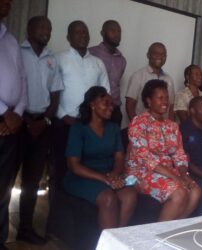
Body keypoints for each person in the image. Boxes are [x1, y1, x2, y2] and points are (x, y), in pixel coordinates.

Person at [51, 20, 110, 211]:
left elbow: (105, 93)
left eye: (85, 32)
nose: (82, 36)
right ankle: (55, 216)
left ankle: (79, 211)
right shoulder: (58, 58)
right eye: (77, 33)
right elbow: (51, 90)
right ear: (68, 37)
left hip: (90, 126)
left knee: (85, 168)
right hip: (65, 123)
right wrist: (63, 116)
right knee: (61, 169)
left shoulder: (98, 63)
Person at [126, 79, 201, 221]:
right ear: (148, 101)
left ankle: (173, 227)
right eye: (160, 98)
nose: (165, 101)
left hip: (168, 171)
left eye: (166, 97)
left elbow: (179, 154)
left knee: (196, 191)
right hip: (142, 172)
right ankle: (158, 237)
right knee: (180, 193)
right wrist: (176, 178)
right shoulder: (138, 122)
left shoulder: (172, 126)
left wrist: (183, 174)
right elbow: (146, 159)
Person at [65, 86, 137, 229]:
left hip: (109, 175)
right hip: (82, 177)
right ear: (92, 105)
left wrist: (115, 175)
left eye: (111, 104)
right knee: (108, 198)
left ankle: (115, 240)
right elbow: (74, 165)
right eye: (105, 103)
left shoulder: (113, 128)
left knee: (130, 195)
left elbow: (119, 158)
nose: (110, 107)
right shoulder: (78, 129)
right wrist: (105, 179)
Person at [19, 16, 63, 245]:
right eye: (42, 27)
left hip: (42, 125)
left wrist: (44, 120)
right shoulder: (17, 53)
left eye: (50, 27)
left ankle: (24, 229)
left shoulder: (52, 60)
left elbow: (55, 95)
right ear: (29, 28)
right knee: (5, 180)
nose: (46, 31)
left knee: (32, 182)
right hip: (17, 124)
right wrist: (24, 120)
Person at [0, 0, 27, 249]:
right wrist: (3, 112)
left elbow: (22, 79)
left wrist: (17, 113)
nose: (7, 3)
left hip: (10, 125)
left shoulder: (10, 39)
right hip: (2, 119)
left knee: (4, 187)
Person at [125, 42, 175, 122]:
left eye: (163, 54)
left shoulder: (169, 79)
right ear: (148, 55)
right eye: (156, 53)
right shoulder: (138, 76)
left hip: (163, 130)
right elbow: (130, 105)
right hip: (142, 128)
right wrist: (136, 126)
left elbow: (171, 107)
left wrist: (171, 127)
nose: (160, 57)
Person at [89, 20, 126, 126]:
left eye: (119, 31)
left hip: (114, 110)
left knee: (113, 141)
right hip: (95, 110)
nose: (117, 34)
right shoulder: (91, 53)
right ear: (102, 33)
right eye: (112, 30)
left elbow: (116, 83)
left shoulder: (122, 60)